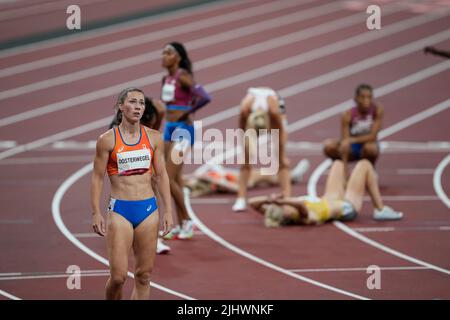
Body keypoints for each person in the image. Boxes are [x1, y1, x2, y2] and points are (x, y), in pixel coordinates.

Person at [91, 87, 173, 299]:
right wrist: (95, 212)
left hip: (148, 209)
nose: (138, 107)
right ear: (121, 107)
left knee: (144, 275)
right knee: (118, 277)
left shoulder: (154, 138)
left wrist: (168, 212)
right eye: (133, 102)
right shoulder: (107, 140)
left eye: (141, 103)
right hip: (120, 210)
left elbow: (162, 176)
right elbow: (97, 177)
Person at [248, 159, 403, 228]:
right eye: (282, 207)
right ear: (284, 215)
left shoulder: (284, 211)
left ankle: (354, 185)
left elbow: (252, 203)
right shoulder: (303, 217)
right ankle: (380, 209)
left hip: (329, 198)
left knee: (337, 163)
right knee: (364, 165)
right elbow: (301, 205)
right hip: (346, 207)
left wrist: (269, 199)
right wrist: (282, 201)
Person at [161, 41, 210, 240]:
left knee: (167, 178)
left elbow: (205, 96)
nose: (164, 56)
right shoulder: (166, 78)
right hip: (169, 128)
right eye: (163, 52)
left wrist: (188, 112)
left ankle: (187, 221)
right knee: (175, 179)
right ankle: (180, 224)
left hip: (183, 128)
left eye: (169, 52)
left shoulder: (183, 76)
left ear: (178, 57)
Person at [109, 96, 171, 254]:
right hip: (123, 156)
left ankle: (154, 235)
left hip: (143, 148)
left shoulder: (156, 112)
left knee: (154, 181)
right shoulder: (116, 128)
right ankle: (120, 223)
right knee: (125, 184)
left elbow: (154, 133)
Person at [232, 87, 291, 212]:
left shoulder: (274, 113)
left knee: (281, 158)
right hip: (254, 109)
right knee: (246, 160)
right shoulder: (245, 110)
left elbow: (281, 136)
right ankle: (241, 198)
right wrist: (246, 152)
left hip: (274, 105)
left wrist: (281, 155)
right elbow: (241, 132)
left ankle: (287, 196)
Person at [323, 84, 383, 175]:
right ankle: (342, 170)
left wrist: (353, 139)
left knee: (370, 147)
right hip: (353, 147)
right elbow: (345, 139)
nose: (366, 100)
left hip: (367, 146)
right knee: (329, 146)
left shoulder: (377, 110)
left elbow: (373, 136)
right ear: (356, 98)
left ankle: (371, 169)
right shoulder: (348, 114)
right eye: (363, 97)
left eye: (369, 97)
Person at [185, 159, 310, 198]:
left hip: (237, 174)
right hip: (243, 181)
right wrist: (211, 179)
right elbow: (235, 188)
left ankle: (292, 176)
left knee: (268, 174)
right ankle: (293, 176)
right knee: (267, 174)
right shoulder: (211, 184)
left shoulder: (199, 178)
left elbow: (184, 178)